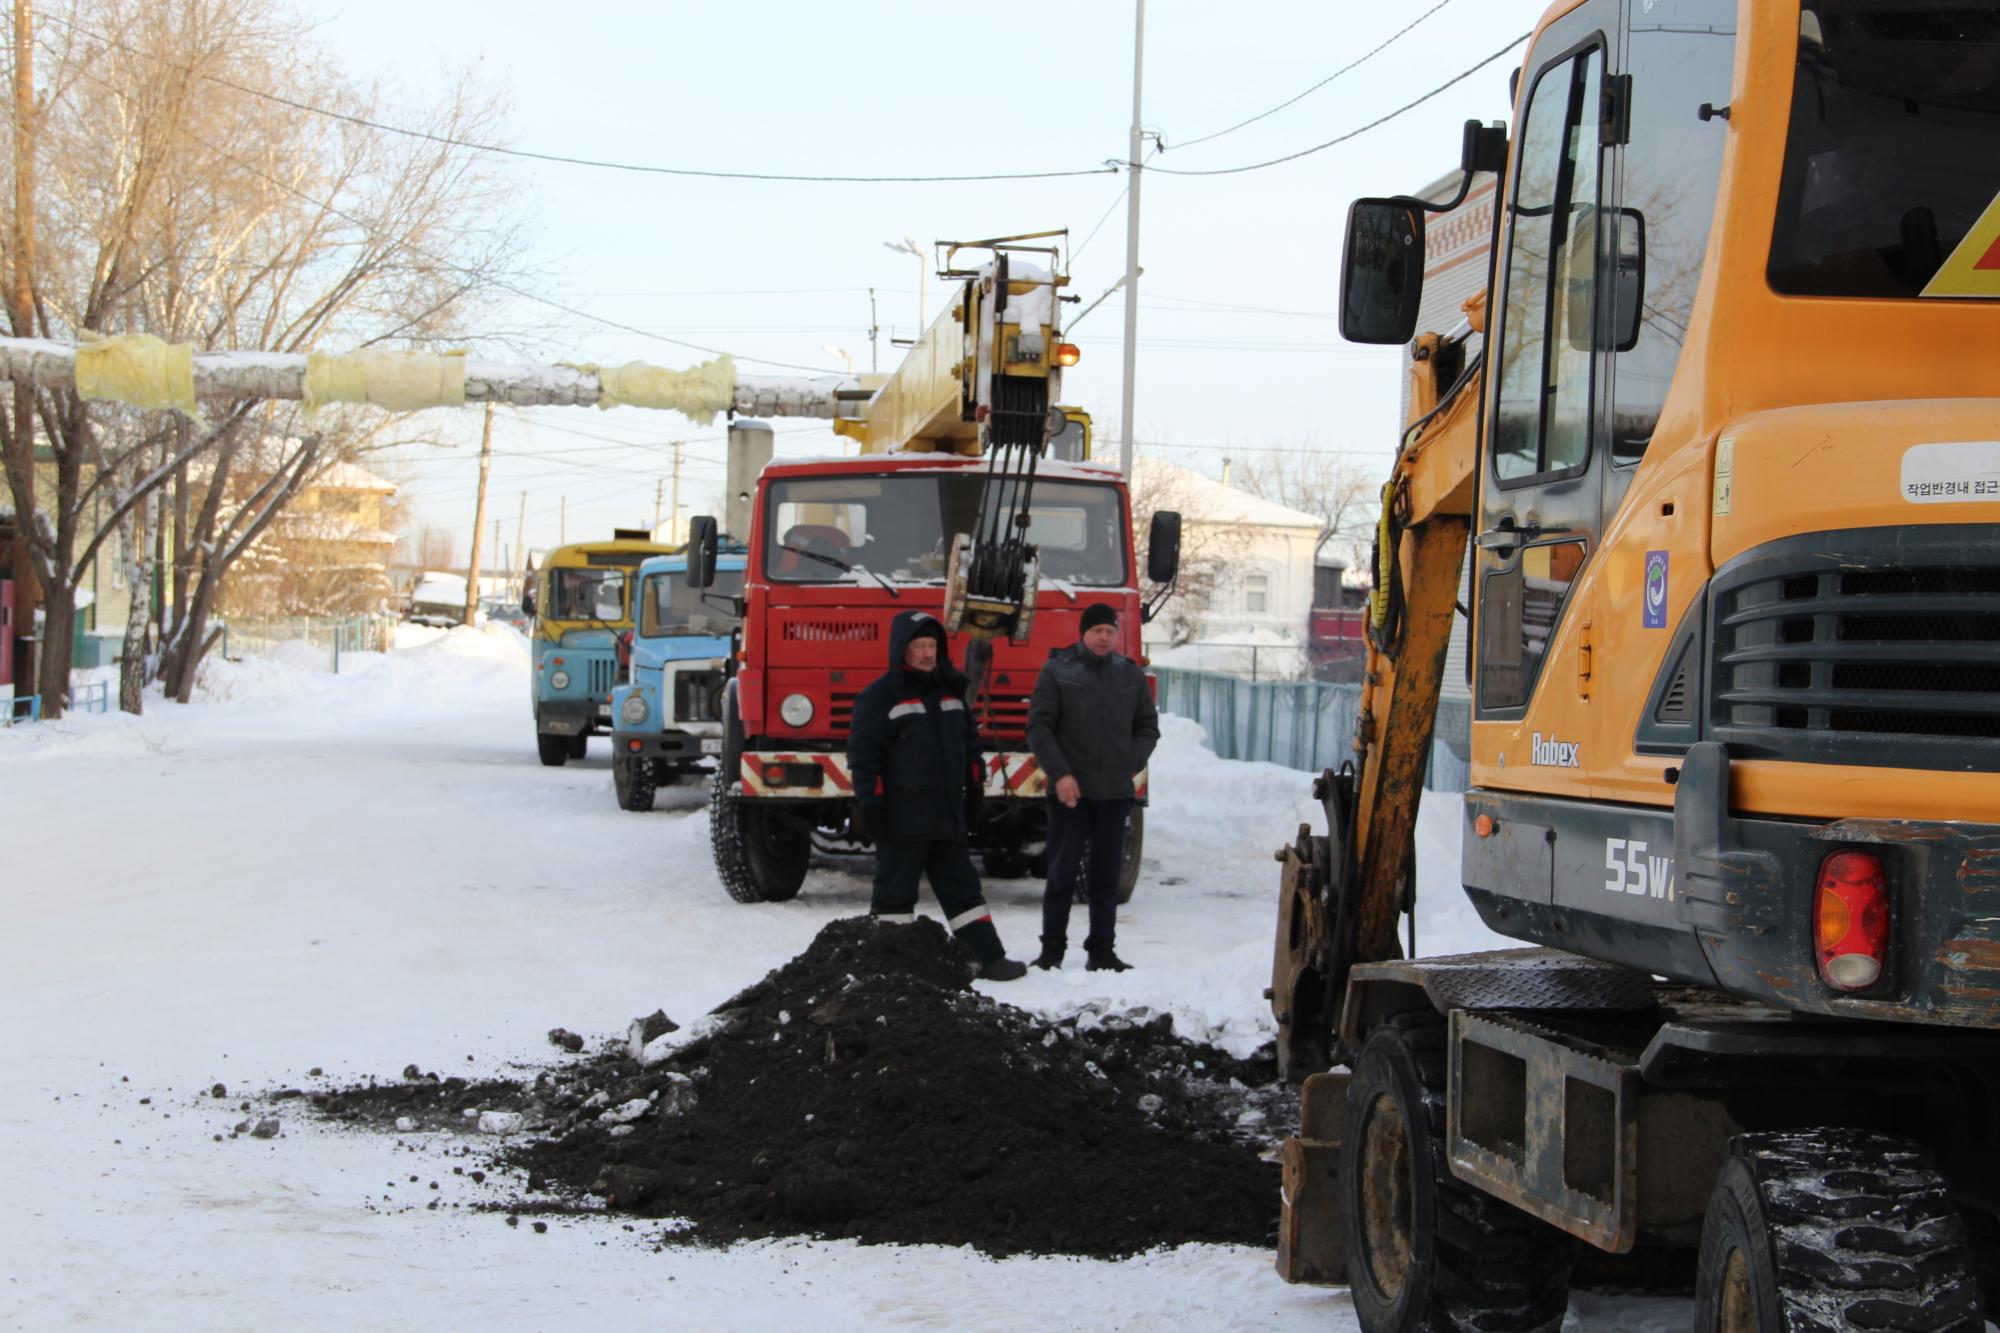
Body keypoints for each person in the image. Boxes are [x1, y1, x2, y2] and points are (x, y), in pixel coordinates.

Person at [847, 609, 1028, 981]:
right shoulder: (879, 697)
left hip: (946, 815)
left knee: (963, 889)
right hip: (901, 819)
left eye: (933, 646)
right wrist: (871, 803)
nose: (928, 654)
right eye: (919, 646)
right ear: (902, 650)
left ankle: (988, 958)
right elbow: (864, 757)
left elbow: (969, 744)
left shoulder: (950, 693)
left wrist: (975, 785)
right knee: (894, 896)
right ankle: (888, 968)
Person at [1025, 603, 1160, 971]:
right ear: (1083, 633)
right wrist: (1061, 775)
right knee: (1061, 875)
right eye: (1097, 630)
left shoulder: (1129, 676)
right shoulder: (1058, 671)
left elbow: (1148, 726)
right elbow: (1040, 728)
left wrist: (1130, 761)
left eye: (1109, 631)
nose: (1103, 637)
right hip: (1071, 796)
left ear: (1117, 635)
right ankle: (1051, 951)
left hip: (1115, 796)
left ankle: (1102, 951)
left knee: (1106, 879)